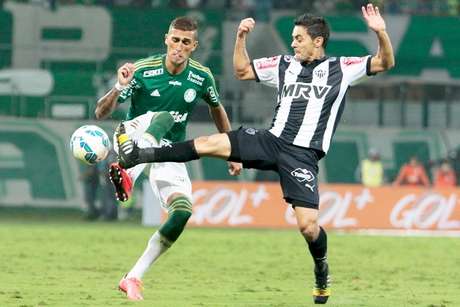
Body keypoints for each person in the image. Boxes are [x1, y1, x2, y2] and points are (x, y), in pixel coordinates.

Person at [115, 4, 395, 304]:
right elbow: (242, 70)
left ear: (318, 41)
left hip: (302, 156)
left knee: (308, 227)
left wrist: (380, 31)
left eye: (298, 38)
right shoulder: (284, 64)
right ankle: (139, 155)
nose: (293, 43)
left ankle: (321, 268)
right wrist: (240, 38)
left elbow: (384, 62)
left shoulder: (343, 68)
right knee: (210, 143)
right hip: (270, 140)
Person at [94, 16, 242, 300]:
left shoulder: (201, 76)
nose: (179, 47)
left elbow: (217, 109)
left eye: (186, 42)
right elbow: (101, 113)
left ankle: (133, 276)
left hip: (169, 151)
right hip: (131, 137)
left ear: (194, 46)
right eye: (175, 40)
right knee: (162, 117)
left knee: (183, 211)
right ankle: (126, 170)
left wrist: (232, 149)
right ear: (166, 39)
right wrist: (119, 86)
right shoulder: (141, 70)